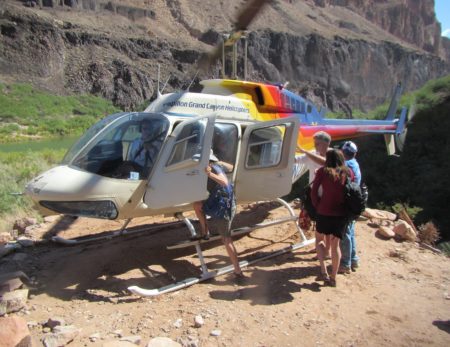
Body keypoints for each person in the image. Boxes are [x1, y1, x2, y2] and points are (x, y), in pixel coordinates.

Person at [192, 150, 244, 278]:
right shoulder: (217, 165)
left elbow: (224, 182)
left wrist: (209, 173)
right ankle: (205, 231)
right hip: (219, 201)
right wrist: (220, 163)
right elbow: (232, 167)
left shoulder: (213, 168)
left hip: (223, 206)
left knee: (226, 239)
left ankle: (238, 271)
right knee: (197, 205)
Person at [311, 149, 353, 287]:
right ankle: (333, 277)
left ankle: (323, 269)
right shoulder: (347, 173)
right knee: (335, 247)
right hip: (340, 214)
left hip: (324, 211)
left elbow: (314, 190)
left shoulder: (323, 172)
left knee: (319, 239)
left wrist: (317, 205)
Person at [339, 141, 361, 274]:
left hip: (346, 204)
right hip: (354, 202)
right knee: (350, 232)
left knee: (344, 234)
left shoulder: (345, 166)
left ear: (343, 152)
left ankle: (345, 263)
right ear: (355, 153)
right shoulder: (355, 163)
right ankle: (353, 260)